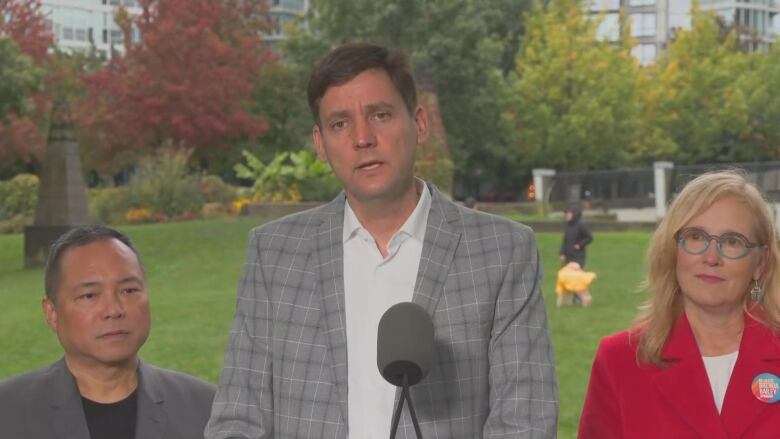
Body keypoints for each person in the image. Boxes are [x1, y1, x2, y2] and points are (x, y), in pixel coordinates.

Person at [205, 42, 557, 439]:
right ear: (320, 143)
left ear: (419, 123)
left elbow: (525, 422)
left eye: (380, 115)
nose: (362, 138)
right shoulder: (273, 255)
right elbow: (238, 418)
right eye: (340, 124)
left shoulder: (503, 252)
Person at [579, 171, 780, 439]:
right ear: (672, 250)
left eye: (732, 242)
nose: (711, 257)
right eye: (696, 236)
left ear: (761, 264)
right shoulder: (618, 360)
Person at [0, 225, 215, 439]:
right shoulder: (8, 412)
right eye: (89, 295)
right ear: (52, 313)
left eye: (129, 291)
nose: (113, 310)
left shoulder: (209, 411)